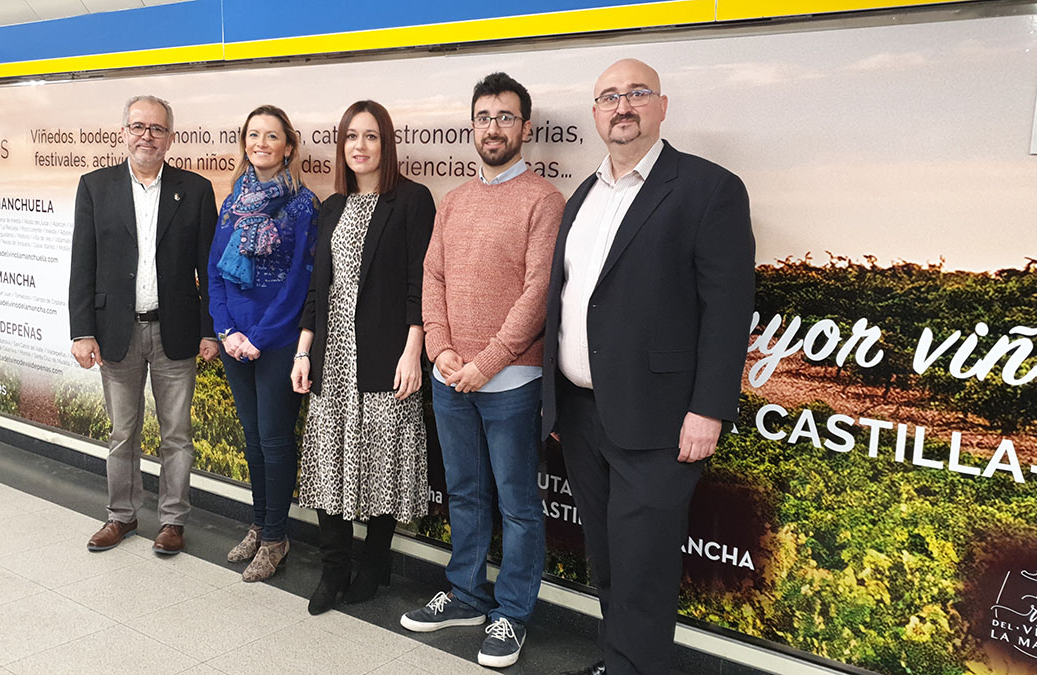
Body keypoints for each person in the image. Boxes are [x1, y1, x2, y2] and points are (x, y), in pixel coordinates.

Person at [545, 59, 755, 675]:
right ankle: (620, 662)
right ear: (594, 113)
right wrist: (557, 401)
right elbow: (569, 299)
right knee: (609, 559)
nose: (622, 106)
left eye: (636, 93)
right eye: (608, 96)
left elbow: (727, 311)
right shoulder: (584, 195)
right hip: (583, 415)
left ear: (662, 106)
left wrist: (709, 410)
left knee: (644, 567)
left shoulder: (709, 189)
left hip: (661, 421)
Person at [401, 72, 565, 669]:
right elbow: (434, 277)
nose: (492, 128)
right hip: (451, 380)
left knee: (519, 505)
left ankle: (512, 614)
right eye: (483, 117)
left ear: (525, 127)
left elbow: (537, 292)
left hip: (511, 384)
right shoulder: (456, 200)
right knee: (466, 495)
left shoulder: (544, 201)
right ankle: (467, 594)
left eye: (504, 117)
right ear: (473, 127)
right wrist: (441, 353)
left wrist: (485, 364)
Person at [292, 100, 435, 616]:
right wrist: (305, 351)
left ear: (387, 143)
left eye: (371, 136)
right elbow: (318, 289)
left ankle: (373, 568)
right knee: (329, 470)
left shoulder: (412, 201)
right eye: (351, 136)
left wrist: (413, 350)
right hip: (334, 362)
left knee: (382, 468)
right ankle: (332, 573)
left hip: (385, 358)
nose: (360, 146)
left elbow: (422, 283)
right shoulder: (332, 208)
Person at [69, 95, 220, 556]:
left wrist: (209, 329)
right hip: (117, 331)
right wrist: (81, 331)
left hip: (176, 330)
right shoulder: (95, 187)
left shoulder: (194, 190)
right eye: (138, 126)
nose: (146, 136)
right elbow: (83, 262)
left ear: (170, 137)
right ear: (124, 132)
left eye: (156, 129)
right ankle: (122, 516)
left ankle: (173, 521)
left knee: (177, 434)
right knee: (122, 433)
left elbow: (208, 267)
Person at [207, 105, 318, 582]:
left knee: (274, 441)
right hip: (235, 341)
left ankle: (276, 537)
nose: (261, 143)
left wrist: (261, 337)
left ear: (288, 146)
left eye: (272, 136)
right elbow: (213, 270)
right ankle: (259, 523)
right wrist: (227, 330)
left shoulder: (303, 205)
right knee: (252, 441)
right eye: (254, 135)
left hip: (277, 342)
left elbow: (301, 282)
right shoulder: (233, 201)